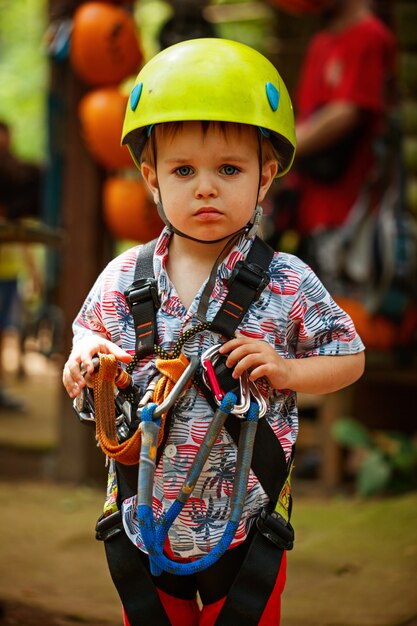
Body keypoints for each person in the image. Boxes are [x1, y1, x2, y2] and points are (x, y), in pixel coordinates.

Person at [62, 38, 365, 626]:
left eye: (229, 169)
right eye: (183, 170)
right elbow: (83, 345)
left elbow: (348, 356)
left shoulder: (286, 281)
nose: (206, 187)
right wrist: (86, 358)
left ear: (265, 175)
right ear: (151, 178)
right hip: (141, 521)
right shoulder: (125, 277)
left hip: (246, 527)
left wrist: (287, 371)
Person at [273, 0, 397, 293]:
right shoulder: (322, 41)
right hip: (307, 206)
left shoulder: (370, 35)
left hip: (350, 214)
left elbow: (347, 112)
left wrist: (275, 152)